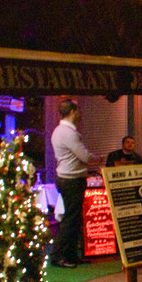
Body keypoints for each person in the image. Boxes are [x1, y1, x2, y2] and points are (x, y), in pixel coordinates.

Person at [50, 99, 100, 268]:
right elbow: (84, 156)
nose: (80, 113)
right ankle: (58, 255)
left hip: (68, 178)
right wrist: (99, 158)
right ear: (72, 112)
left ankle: (70, 254)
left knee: (74, 217)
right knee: (70, 219)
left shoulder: (60, 131)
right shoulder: (68, 133)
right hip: (71, 179)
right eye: (78, 110)